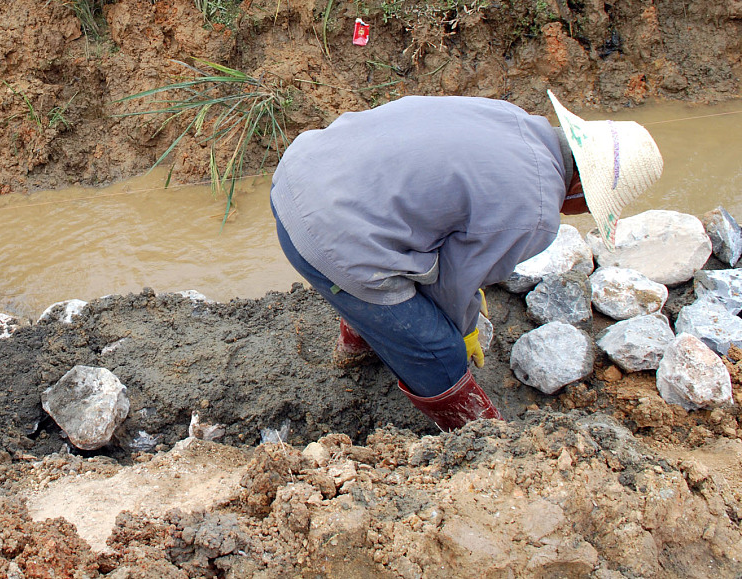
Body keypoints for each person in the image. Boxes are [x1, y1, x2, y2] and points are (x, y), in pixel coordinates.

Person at [269, 91, 663, 431]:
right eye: (588, 206)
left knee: (393, 263)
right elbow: (450, 289)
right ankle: (481, 438)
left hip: (302, 172)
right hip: (322, 236)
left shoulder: (512, 118)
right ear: (580, 190)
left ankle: (359, 346)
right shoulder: (537, 209)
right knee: (440, 351)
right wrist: (464, 328)